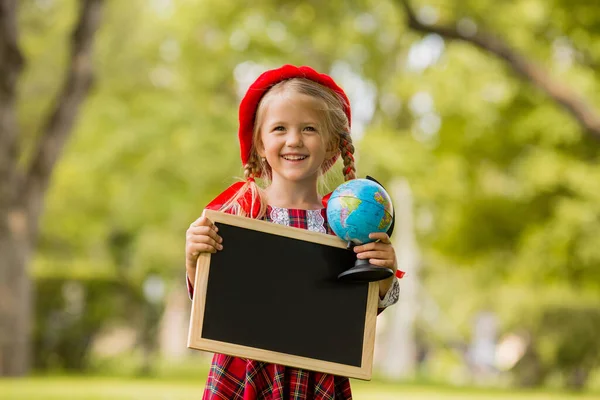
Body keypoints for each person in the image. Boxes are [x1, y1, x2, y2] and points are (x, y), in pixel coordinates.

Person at [185, 64, 402, 400]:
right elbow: (212, 300)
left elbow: (356, 312)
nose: (294, 140)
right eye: (279, 128)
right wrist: (193, 257)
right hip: (246, 373)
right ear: (259, 143)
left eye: (309, 128)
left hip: (317, 376)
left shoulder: (347, 224)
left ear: (332, 145)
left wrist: (383, 275)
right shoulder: (242, 212)